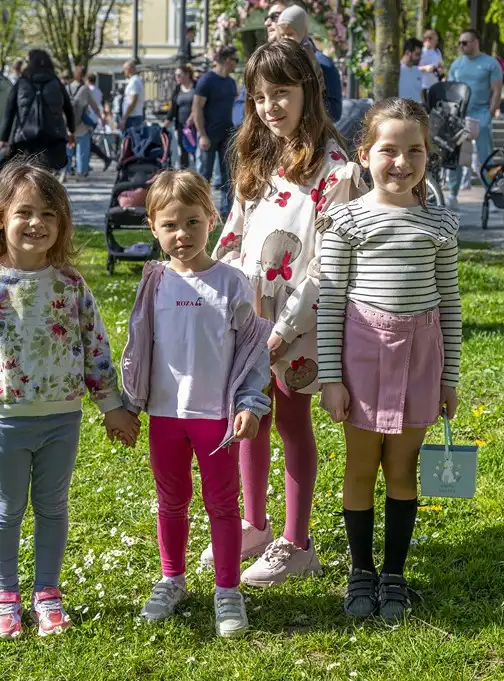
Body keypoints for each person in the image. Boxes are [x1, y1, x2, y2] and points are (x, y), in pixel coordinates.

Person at [0, 161, 138, 640]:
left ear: (61, 223)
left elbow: (96, 350)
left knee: (52, 506)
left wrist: (112, 407)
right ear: (1, 218)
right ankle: (5, 596)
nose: (36, 223)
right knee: (5, 507)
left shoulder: (70, 286)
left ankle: (47, 592)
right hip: (5, 421)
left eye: (49, 213)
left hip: (62, 419)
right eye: (25, 211)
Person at [206, 38, 365, 586]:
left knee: (292, 420)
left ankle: (297, 542)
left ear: (308, 92)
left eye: (282, 93)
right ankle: (254, 523)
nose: (271, 107)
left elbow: (327, 266)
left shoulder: (335, 171)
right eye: (259, 97)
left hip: (298, 322)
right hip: (249, 315)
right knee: (252, 415)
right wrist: (219, 286)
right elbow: (235, 230)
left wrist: (283, 328)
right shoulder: (257, 156)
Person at [317, 97, 461, 622]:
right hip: (362, 357)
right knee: (361, 467)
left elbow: (449, 301)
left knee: (402, 469)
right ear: (363, 154)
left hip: (421, 357)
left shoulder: (439, 224)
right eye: (388, 150)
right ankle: (360, 570)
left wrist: (450, 376)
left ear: (429, 156)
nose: (401, 162)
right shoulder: (345, 221)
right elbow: (330, 301)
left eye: (414, 151)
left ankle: (394, 573)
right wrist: (330, 378)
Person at [120, 170, 272, 637]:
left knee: (223, 505)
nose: (181, 234)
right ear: (153, 228)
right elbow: (137, 346)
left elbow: (252, 351)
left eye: (192, 221)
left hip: (217, 419)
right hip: (166, 417)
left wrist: (249, 402)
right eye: (170, 225)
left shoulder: (232, 282)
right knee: (171, 501)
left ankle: (227, 590)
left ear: (212, 219)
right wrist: (128, 404)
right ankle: (172, 579)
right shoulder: (155, 281)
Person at [446, 30, 502, 207]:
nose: (461, 46)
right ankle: (453, 195)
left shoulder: (490, 64)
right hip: (460, 116)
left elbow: (497, 91)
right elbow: (450, 90)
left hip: (481, 114)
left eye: (465, 42)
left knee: (486, 157)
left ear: (476, 42)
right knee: (456, 155)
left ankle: (492, 194)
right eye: (460, 43)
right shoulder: (456, 65)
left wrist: (490, 113)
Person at [0, 49, 76, 175]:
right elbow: (68, 108)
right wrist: (71, 131)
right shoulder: (55, 82)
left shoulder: (21, 83)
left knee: (27, 173)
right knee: (47, 173)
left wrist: (4, 138)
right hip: (52, 136)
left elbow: (10, 111)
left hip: (26, 137)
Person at [191, 45, 238, 218]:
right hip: (209, 135)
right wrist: (202, 134)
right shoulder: (207, 80)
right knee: (204, 176)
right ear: (227, 60)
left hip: (227, 136)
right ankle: (201, 211)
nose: (236, 64)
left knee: (229, 176)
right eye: (235, 60)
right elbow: (197, 109)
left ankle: (226, 213)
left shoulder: (231, 82)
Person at [275, 5, 343, 122]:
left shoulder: (321, 63)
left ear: (302, 32)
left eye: (290, 34)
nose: (285, 39)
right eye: (282, 35)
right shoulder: (277, 60)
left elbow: (334, 111)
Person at [66, 66, 109, 175]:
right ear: (84, 76)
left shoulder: (67, 88)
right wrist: (101, 117)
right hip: (81, 124)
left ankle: (66, 171)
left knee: (68, 149)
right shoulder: (85, 89)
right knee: (82, 150)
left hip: (69, 125)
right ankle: (81, 172)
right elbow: (94, 105)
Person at [167, 64, 197, 169]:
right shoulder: (177, 89)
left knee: (196, 151)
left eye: (179, 75)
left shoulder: (196, 86)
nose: (177, 77)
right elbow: (173, 108)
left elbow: (200, 104)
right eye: (176, 75)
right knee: (183, 150)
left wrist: (193, 116)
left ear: (187, 74)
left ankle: (199, 177)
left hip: (195, 125)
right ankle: (184, 176)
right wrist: (166, 121)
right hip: (181, 126)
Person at [398, 37, 438, 105]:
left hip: (417, 111)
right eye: (417, 54)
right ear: (407, 53)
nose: (420, 58)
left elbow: (420, 92)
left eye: (420, 54)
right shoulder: (397, 70)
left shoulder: (417, 71)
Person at [120, 59, 145, 131]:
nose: (123, 72)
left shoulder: (134, 82)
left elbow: (133, 101)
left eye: (124, 69)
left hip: (132, 118)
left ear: (129, 69)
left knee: (132, 140)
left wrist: (124, 118)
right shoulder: (136, 80)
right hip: (133, 116)